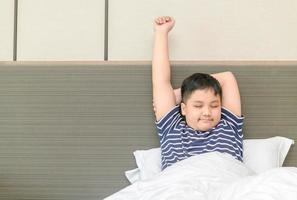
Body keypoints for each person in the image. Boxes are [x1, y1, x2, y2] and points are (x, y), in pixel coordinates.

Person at [152, 16, 244, 170]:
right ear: (184, 108)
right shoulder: (171, 128)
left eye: (214, 105)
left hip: (225, 184)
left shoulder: (229, 125)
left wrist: (179, 94)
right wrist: (161, 32)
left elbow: (227, 78)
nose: (207, 112)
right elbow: (161, 81)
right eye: (198, 105)